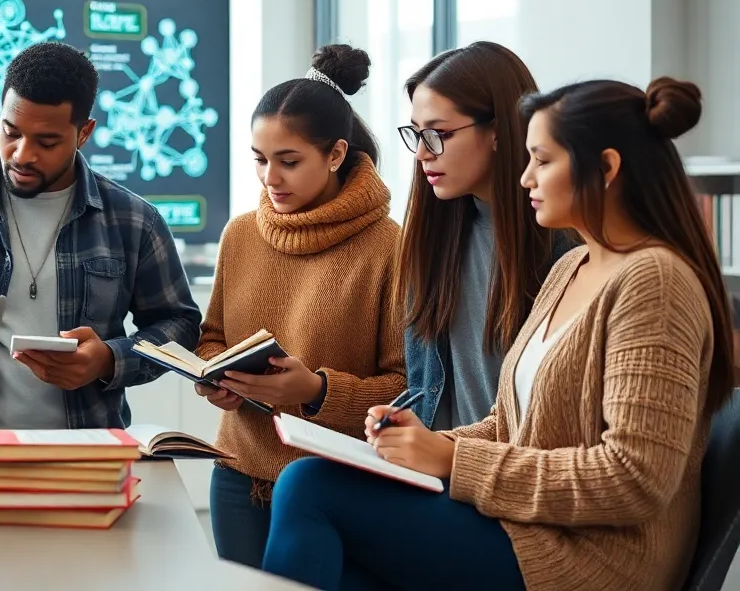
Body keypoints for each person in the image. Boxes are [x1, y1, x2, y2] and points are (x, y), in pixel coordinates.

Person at [261, 76, 736, 591]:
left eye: (542, 161)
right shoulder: (571, 267)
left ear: (606, 168)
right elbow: (512, 425)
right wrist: (425, 442)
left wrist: (453, 459)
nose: (525, 177)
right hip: (530, 529)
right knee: (336, 546)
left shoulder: (655, 281)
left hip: (595, 560)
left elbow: (633, 479)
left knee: (309, 487)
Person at [0, 41, 201, 449]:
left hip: (89, 454)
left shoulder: (134, 221)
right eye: (10, 132)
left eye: (46, 142)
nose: (22, 154)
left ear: (84, 133)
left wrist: (108, 359)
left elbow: (179, 324)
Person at [193, 44, 406, 569]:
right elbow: (213, 337)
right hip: (236, 473)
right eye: (260, 159)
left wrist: (316, 391)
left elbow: (409, 387)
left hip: (338, 484)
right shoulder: (240, 234)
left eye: (289, 162)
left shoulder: (389, 247)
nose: (270, 178)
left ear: (335, 154)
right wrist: (213, 376)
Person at [396, 42, 573, 431]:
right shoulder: (432, 238)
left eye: (439, 133)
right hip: (434, 457)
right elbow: (426, 392)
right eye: (417, 134)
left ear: (497, 130)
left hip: (501, 462)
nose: (422, 153)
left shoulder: (564, 250)